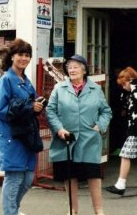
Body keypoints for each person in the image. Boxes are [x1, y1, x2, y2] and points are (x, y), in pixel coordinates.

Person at [46, 54, 112, 215]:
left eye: (76, 67)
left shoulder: (95, 89)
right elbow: (50, 111)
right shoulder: (59, 89)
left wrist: (99, 126)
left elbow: (106, 111)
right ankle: (72, 210)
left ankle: (99, 211)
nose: (72, 70)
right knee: (70, 176)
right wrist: (59, 129)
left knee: (93, 175)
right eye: (69, 67)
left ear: (84, 70)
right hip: (66, 140)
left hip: (89, 139)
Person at [0, 38, 45, 215]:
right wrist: (30, 107)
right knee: (14, 178)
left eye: (27, 55)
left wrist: (38, 105)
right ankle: (10, 212)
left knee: (28, 178)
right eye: (20, 54)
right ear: (12, 56)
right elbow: (1, 110)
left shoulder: (25, 80)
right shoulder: (6, 80)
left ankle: (12, 210)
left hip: (27, 136)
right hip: (12, 137)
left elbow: (32, 104)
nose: (24, 58)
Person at [105, 66, 137, 196]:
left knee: (125, 154)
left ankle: (120, 184)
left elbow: (136, 103)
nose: (123, 87)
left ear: (130, 80)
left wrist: (132, 85)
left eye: (124, 84)